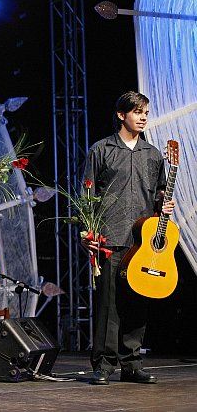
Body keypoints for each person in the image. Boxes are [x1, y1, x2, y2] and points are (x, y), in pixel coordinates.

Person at [84, 91, 174, 386]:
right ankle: (104, 365)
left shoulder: (153, 154)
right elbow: (87, 194)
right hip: (110, 236)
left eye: (146, 112)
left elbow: (160, 193)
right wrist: (86, 232)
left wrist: (165, 204)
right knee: (109, 305)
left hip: (142, 241)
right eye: (137, 112)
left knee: (137, 303)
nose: (143, 117)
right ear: (122, 115)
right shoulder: (102, 149)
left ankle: (132, 363)